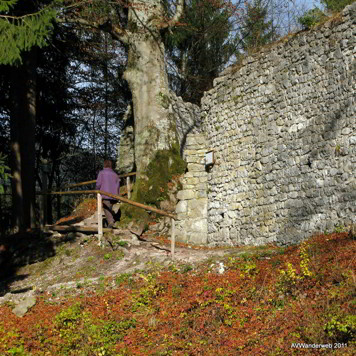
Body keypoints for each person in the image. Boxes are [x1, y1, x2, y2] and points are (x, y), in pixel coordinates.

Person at [96, 160, 120, 228]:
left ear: (104, 165)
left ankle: (111, 222)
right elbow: (118, 185)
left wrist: (97, 190)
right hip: (114, 195)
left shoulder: (101, 173)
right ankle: (110, 222)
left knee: (106, 208)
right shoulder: (115, 174)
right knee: (109, 208)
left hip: (105, 194)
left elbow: (98, 184)